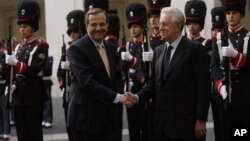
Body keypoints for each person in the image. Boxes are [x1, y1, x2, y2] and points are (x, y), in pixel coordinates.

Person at [126, 7, 211, 141]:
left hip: (185, 124)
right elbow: (153, 84)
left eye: (164, 24)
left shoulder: (194, 49)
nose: (160, 27)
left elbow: (203, 87)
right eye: (160, 24)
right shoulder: (159, 51)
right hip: (161, 124)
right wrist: (136, 97)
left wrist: (200, 119)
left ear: (177, 26)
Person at [67, 8, 125, 141]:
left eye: (102, 24)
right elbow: (88, 83)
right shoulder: (76, 49)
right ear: (86, 26)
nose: (98, 28)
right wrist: (118, 97)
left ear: (107, 25)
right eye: (93, 24)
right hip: (85, 120)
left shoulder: (110, 47)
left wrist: (127, 95)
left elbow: (113, 79)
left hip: (109, 119)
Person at [5, 1, 49, 141]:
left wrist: (16, 64)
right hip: (19, 97)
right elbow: (13, 72)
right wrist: (11, 83)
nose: (22, 29)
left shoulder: (41, 46)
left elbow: (35, 69)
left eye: (25, 26)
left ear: (33, 27)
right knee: (22, 134)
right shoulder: (17, 47)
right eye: (21, 26)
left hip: (33, 96)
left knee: (34, 133)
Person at [211, 0, 250, 139]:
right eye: (228, 13)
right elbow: (214, 65)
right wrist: (220, 86)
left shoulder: (248, 37)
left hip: (243, 99)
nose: (231, 16)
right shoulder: (219, 38)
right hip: (222, 98)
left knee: (240, 134)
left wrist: (236, 55)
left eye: (234, 13)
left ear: (241, 14)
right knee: (223, 135)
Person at [121, 3, 149, 141]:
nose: (133, 29)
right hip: (130, 87)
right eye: (131, 27)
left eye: (136, 26)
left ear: (142, 26)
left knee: (144, 124)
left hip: (143, 88)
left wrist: (132, 61)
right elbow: (122, 68)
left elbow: (146, 66)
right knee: (132, 126)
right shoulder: (128, 45)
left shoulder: (147, 44)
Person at [57, 9, 86, 141]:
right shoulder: (67, 50)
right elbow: (59, 72)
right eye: (71, 32)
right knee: (70, 128)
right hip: (68, 94)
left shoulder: (86, 48)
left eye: (76, 32)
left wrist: (72, 67)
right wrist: (62, 85)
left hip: (82, 95)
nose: (73, 35)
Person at [209, 7, 228, 141]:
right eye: (215, 30)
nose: (217, 33)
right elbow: (213, 66)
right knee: (219, 131)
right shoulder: (211, 43)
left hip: (232, 90)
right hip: (216, 92)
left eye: (220, 30)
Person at [0, 40, 10, 140]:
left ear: (3, 48)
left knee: (4, 110)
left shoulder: (6, 59)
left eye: (0, 47)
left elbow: (7, 73)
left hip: (4, 86)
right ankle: (1, 131)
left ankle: (6, 132)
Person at [42, 55, 54, 128]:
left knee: (47, 102)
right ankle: (43, 118)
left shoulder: (49, 58)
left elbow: (48, 70)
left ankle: (48, 119)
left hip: (46, 81)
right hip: (38, 82)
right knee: (41, 102)